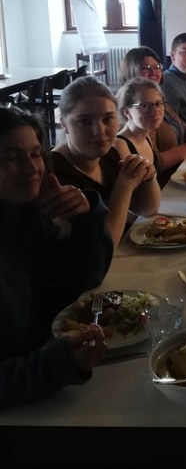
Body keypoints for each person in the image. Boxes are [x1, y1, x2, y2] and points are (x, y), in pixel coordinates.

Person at [0, 107, 112, 410]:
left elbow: (82, 280)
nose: (31, 169)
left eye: (36, 153)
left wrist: (86, 219)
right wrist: (57, 364)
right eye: (11, 157)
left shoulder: (25, 219)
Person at [51, 76, 161, 248]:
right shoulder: (56, 175)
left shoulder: (110, 153)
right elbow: (104, 247)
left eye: (108, 119)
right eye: (85, 121)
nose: (99, 131)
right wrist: (124, 186)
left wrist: (149, 176)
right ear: (64, 124)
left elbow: (147, 210)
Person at [116, 77, 186, 188]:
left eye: (158, 104)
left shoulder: (145, 136)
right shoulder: (120, 145)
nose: (154, 111)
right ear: (126, 112)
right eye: (144, 106)